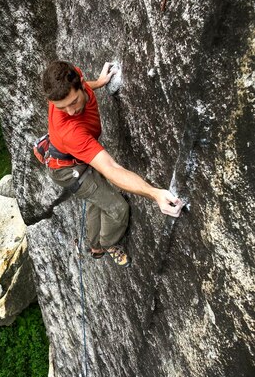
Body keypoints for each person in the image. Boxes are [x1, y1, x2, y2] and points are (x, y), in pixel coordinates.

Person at [41, 60, 183, 266]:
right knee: (118, 208)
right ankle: (107, 243)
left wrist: (99, 82)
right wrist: (155, 193)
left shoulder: (68, 77)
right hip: (68, 169)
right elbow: (111, 168)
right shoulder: (69, 131)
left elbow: (85, 85)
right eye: (62, 108)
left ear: (79, 82)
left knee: (95, 199)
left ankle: (95, 246)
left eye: (73, 102)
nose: (70, 111)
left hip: (73, 157)